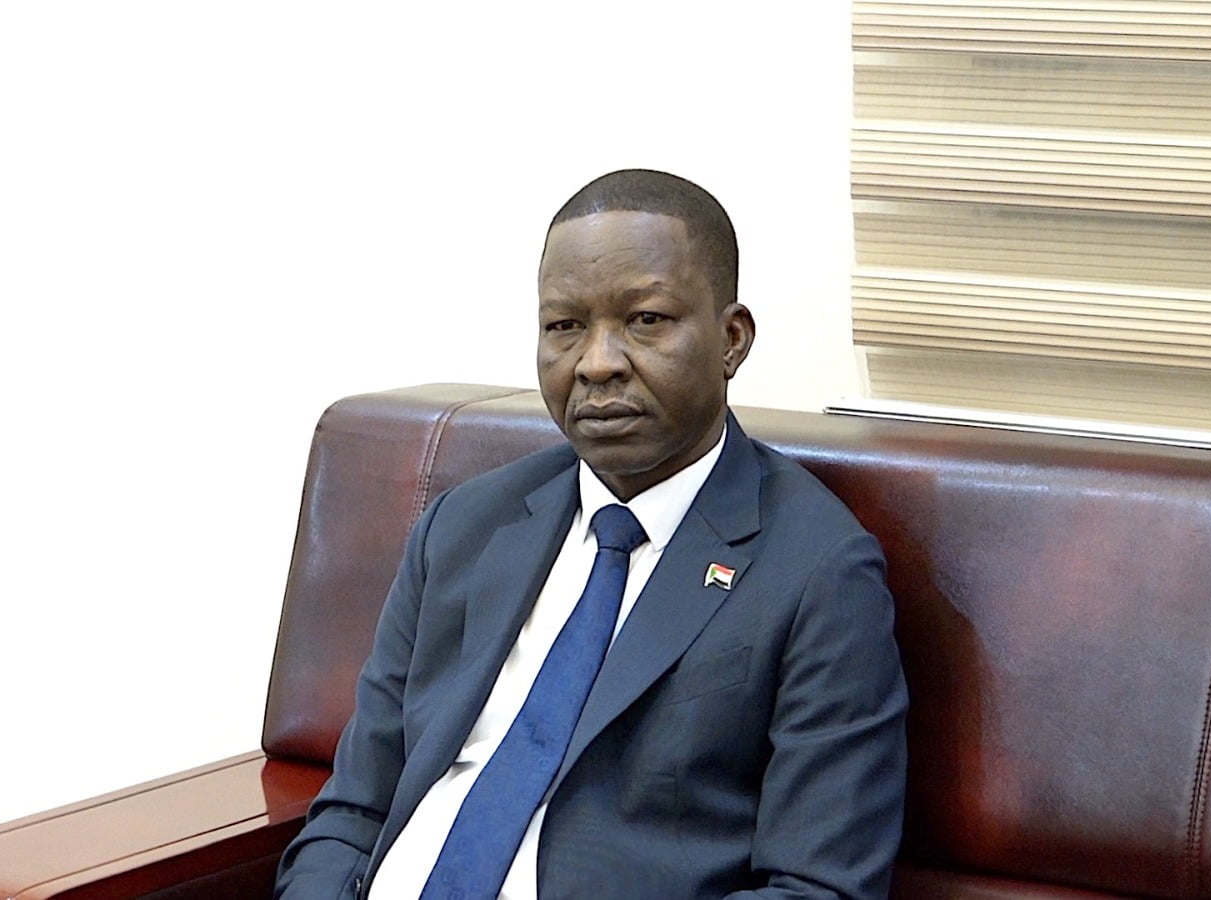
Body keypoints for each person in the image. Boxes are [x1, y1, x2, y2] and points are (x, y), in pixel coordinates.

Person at [274, 169, 907, 899]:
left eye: (645, 320)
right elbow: (353, 812)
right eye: (565, 326)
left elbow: (817, 889)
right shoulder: (466, 527)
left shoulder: (818, 569)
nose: (597, 362)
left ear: (731, 340)